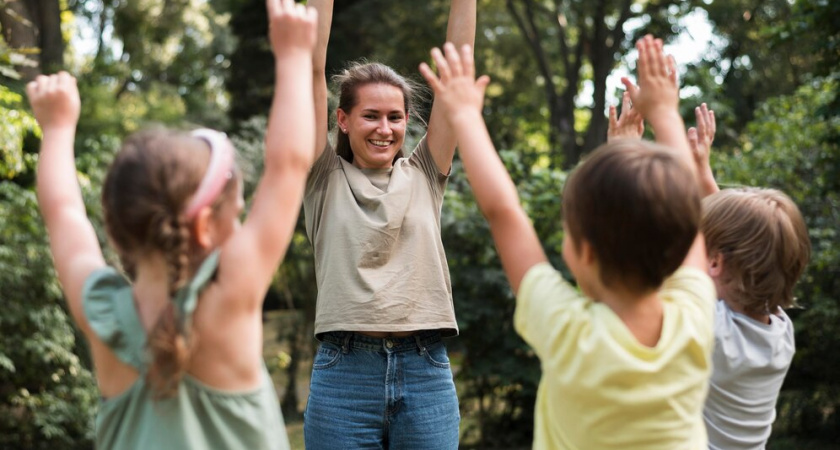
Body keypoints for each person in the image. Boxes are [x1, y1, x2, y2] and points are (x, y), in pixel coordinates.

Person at [26, 0, 317, 448]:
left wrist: (57, 128)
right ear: (204, 227)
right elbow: (288, 166)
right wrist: (295, 56)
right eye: (236, 214)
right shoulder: (228, 298)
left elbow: (63, 211)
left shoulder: (102, 312)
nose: (241, 227)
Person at [420, 36, 716, 448]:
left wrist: (465, 115)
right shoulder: (695, 318)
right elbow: (687, 216)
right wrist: (664, 114)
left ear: (586, 252)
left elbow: (505, 213)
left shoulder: (568, 332)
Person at [302, 1, 475, 448]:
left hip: (426, 371)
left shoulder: (424, 173)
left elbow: (457, 73)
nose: (385, 128)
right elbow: (309, 69)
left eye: (395, 117)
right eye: (371, 115)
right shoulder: (323, 177)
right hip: (344, 375)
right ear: (342, 119)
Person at [688, 105, 812, 450]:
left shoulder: (713, 330)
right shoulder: (778, 332)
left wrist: (625, 151)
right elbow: (737, 240)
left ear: (715, 263)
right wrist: (701, 168)